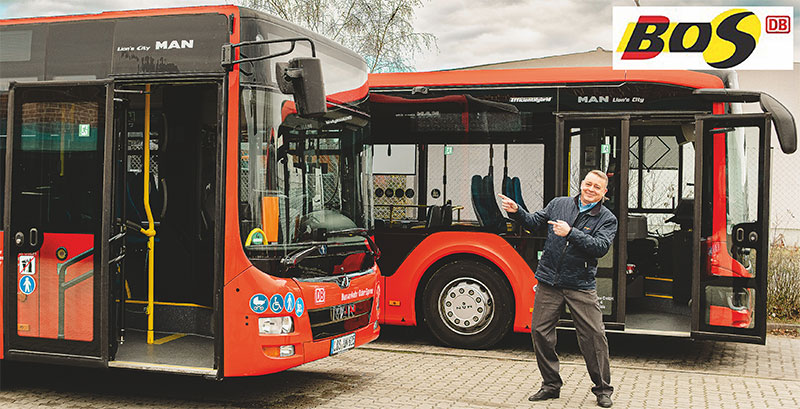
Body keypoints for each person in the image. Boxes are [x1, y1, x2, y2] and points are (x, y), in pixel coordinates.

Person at [498, 170, 616, 408]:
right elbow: (533, 222)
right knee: (540, 331)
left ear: (604, 193)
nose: (591, 189)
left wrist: (571, 233)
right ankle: (551, 385)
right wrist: (517, 211)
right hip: (548, 282)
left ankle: (603, 389)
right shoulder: (559, 204)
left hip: (580, 285)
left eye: (597, 187)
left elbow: (600, 247)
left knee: (594, 337)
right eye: (588, 184)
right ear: (581, 184)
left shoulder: (607, 218)